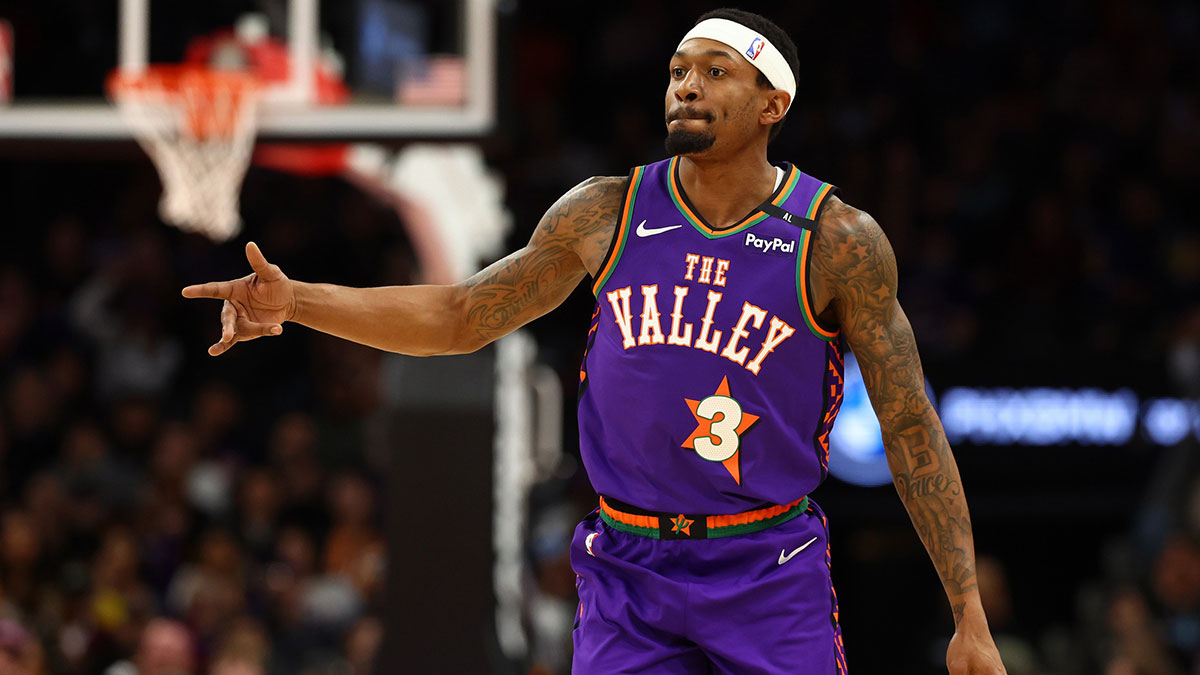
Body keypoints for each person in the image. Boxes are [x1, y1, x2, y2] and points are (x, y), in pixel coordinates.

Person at [183, 8, 1006, 674]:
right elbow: (462, 315)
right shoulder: (604, 212)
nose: (686, 85)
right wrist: (297, 302)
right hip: (626, 567)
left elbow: (910, 428)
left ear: (772, 103)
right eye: (679, 70)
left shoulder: (836, 240)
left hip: (766, 565)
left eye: (715, 71)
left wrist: (967, 610)